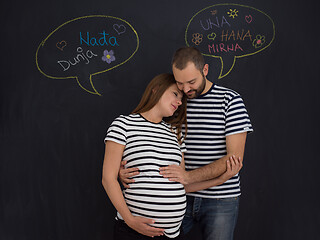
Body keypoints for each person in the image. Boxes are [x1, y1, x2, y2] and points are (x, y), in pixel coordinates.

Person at [120, 47, 253, 240]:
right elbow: (151, 141)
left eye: (192, 82)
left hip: (220, 199)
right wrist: (124, 169)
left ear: (205, 70)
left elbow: (233, 159)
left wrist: (188, 177)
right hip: (179, 195)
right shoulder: (175, 99)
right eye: (180, 83)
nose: (186, 89)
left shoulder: (230, 101)